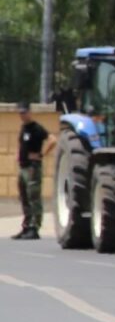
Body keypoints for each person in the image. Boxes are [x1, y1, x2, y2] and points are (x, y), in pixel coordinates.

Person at [15, 101, 50, 240]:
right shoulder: (24, 128)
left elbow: (52, 140)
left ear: (30, 112)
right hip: (23, 166)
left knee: (33, 196)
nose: (22, 115)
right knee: (24, 197)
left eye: (24, 112)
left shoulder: (37, 128)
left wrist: (41, 154)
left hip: (32, 167)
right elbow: (21, 144)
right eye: (20, 113)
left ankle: (35, 227)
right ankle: (26, 225)